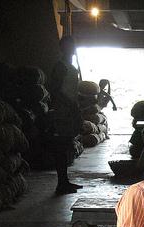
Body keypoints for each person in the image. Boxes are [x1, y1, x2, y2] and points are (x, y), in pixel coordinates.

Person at [47, 35, 83, 194]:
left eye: (73, 45)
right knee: (60, 146)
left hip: (70, 109)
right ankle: (61, 183)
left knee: (66, 145)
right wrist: (69, 105)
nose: (72, 49)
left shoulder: (70, 66)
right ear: (63, 48)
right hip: (63, 111)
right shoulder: (60, 66)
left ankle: (65, 181)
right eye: (69, 46)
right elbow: (55, 89)